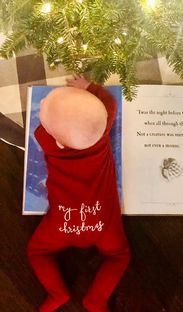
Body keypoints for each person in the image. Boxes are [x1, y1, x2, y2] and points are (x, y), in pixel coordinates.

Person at [27, 76, 130, 312]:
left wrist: (57, 108)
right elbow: (110, 104)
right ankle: (96, 299)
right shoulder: (102, 131)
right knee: (119, 255)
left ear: (58, 142)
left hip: (62, 225)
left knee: (37, 251)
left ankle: (57, 293)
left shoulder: (48, 141)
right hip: (102, 226)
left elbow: (44, 127)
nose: (44, 104)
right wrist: (90, 88)